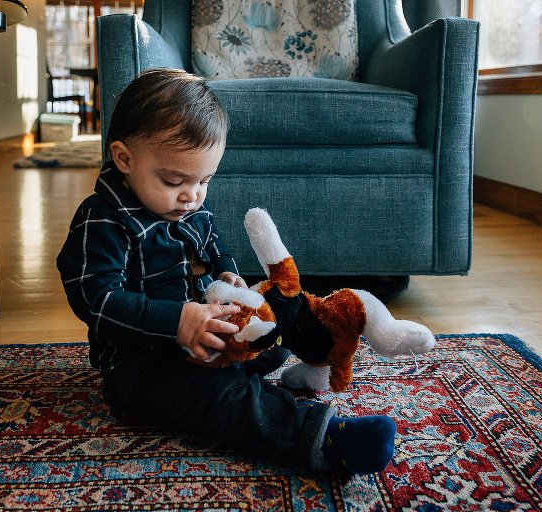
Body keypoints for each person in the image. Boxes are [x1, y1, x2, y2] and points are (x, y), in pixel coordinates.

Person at [56, 68, 396, 474]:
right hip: (140, 365)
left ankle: (252, 362)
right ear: (125, 158)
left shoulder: (191, 207)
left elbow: (217, 248)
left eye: (205, 181)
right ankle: (318, 437)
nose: (192, 195)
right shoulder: (102, 221)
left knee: (280, 333)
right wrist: (176, 321)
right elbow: (98, 301)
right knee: (219, 396)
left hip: (206, 340)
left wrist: (229, 275)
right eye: (174, 180)